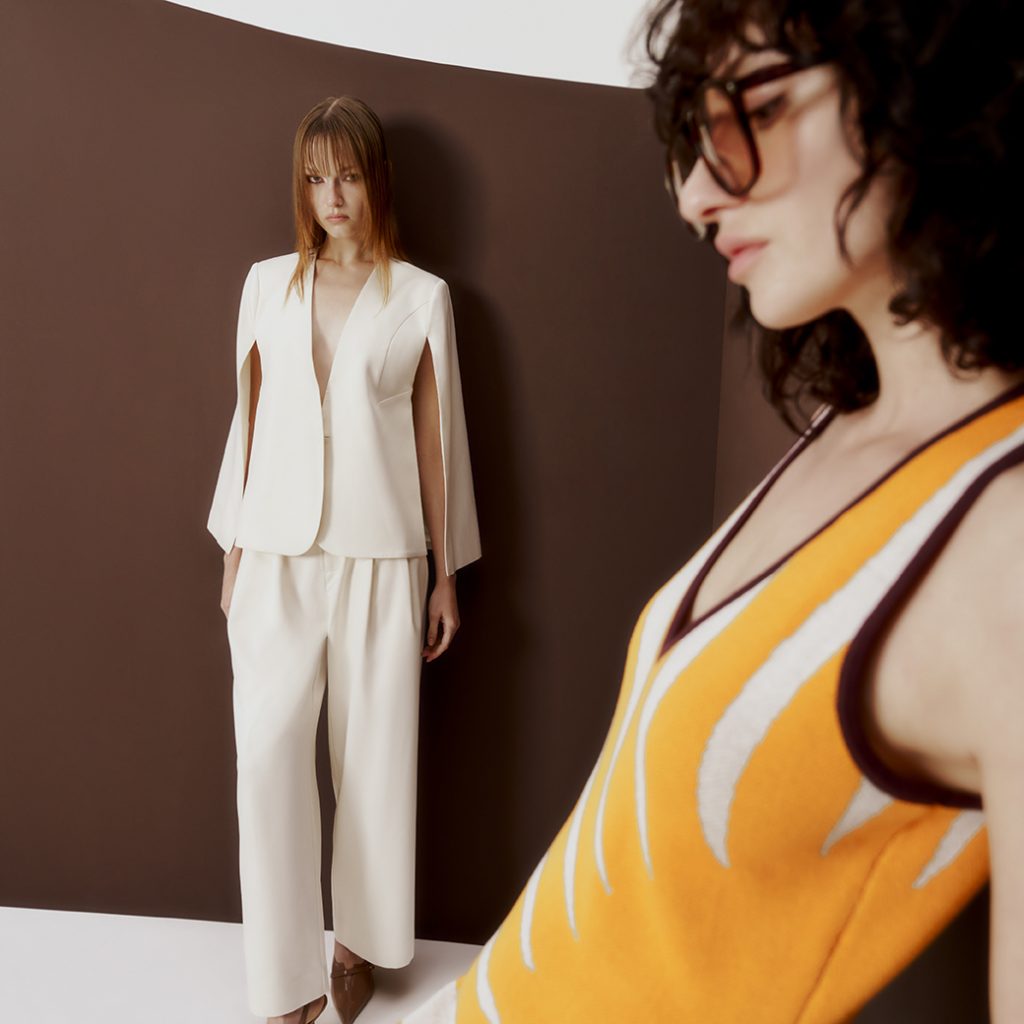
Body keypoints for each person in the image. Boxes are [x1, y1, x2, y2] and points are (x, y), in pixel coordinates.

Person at [402, 1, 1024, 1021]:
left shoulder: (1004, 540)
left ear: (939, 85)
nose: (696, 194)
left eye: (759, 109)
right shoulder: (850, 423)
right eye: (694, 131)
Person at [207, 96, 481, 1024]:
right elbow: (247, 420)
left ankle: (354, 946)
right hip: (275, 554)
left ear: (377, 181)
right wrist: (234, 545)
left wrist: (445, 573)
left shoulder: (422, 296)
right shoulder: (265, 285)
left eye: (349, 176)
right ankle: (286, 985)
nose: (332, 196)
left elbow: (439, 440)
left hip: (381, 554)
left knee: (372, 763)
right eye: (316, 178)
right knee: (266, 761)